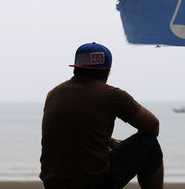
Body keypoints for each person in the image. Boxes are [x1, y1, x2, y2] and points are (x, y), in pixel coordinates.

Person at [40, 42, 163, 189]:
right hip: (94, 183)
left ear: (76, 68)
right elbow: (153, 127)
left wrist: (106, 140)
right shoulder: (112, 95)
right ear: (107, 72)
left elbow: (69, 130)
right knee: (149, 143)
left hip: (52, 183)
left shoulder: (53, 93)